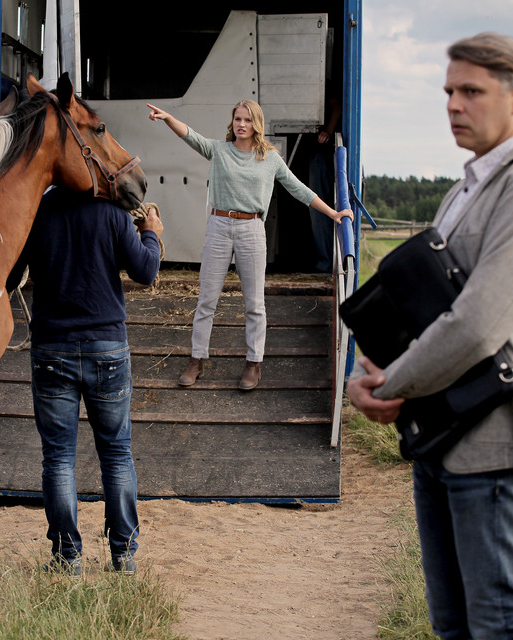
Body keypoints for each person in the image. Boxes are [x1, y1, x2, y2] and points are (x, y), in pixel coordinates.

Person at [347, 32, 513, 639]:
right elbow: (424, 306)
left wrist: (392, 384)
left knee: (497, 624)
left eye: (471, 91)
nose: (453, 104)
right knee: (452, 624)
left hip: (495, 447)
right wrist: (372, 368)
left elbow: (478, 324)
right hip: (441, 434)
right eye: (449, 90)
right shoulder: (466, 189)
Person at [146, 100, 352, 390]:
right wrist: (168, 118)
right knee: (206, 299)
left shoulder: (269, 158)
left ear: (257, 124)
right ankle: (196, 360)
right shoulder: (219, 150)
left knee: (254, 303)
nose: (241, 124)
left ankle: (254, 363)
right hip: (219, 226)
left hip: (252, 228)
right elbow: (191, 135)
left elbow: (298, 188)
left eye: (247, 120)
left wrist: (333, 213)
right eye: (237, 119)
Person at [18, 186, 163, 576]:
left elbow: (12, 275)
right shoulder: (113, 212)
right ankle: (123, 557)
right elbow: (146, 271)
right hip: (107, 348)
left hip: (52, 348)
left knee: (58, 457)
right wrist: (151, 233)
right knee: (116, 453)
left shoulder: (40, 207)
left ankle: (67, 560)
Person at [307, 98, 343, 273]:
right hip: (319, 150)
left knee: (319, 206)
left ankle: (326, 262)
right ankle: (326, 260)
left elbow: (337, 106)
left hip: (323, 150)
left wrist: (328, 132)